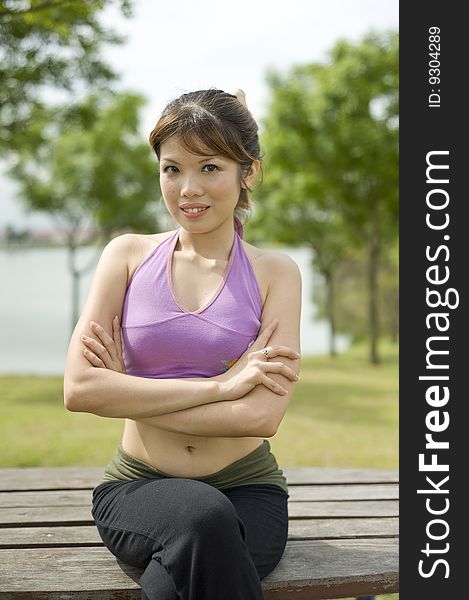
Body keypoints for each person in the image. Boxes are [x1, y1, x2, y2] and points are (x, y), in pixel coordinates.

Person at [63, 88, 302, 600]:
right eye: (172, 169)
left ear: (249, 172)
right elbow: (80, 389)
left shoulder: (275, 273)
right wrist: (221, 387)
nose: (188, 189)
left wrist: (127, 390)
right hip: (136, 489)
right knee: (202, 514)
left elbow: (261, 417)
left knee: (190, 558)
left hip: (250, 492)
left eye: (210, 167)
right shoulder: (125, 257)